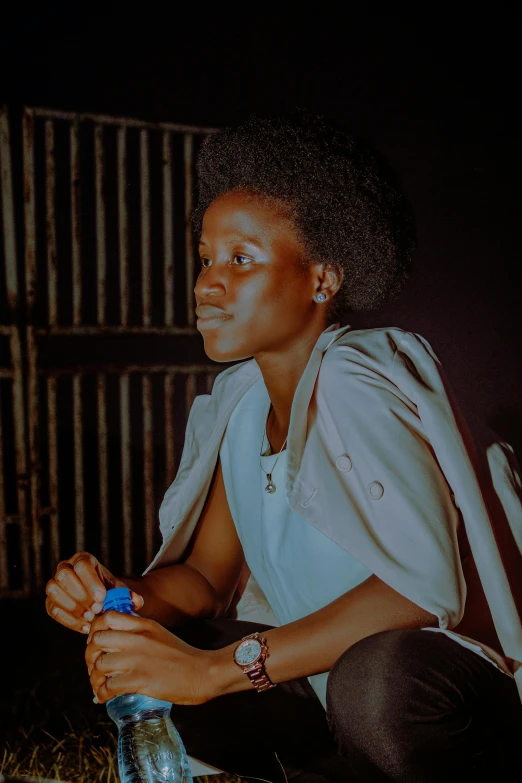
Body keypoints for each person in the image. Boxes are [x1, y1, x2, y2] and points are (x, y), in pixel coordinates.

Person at [45, 111, 522, 782]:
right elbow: (207, 581)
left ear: (322, 280)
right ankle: (331, 761)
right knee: (149, 659)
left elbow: (423, 588)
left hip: (451, 695)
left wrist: (214, 671)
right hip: (332, 692)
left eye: (241, 259)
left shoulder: (358, 378)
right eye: (207, 257)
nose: (208, 282)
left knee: (374, 683)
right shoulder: (242, 407)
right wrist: (118, 596)